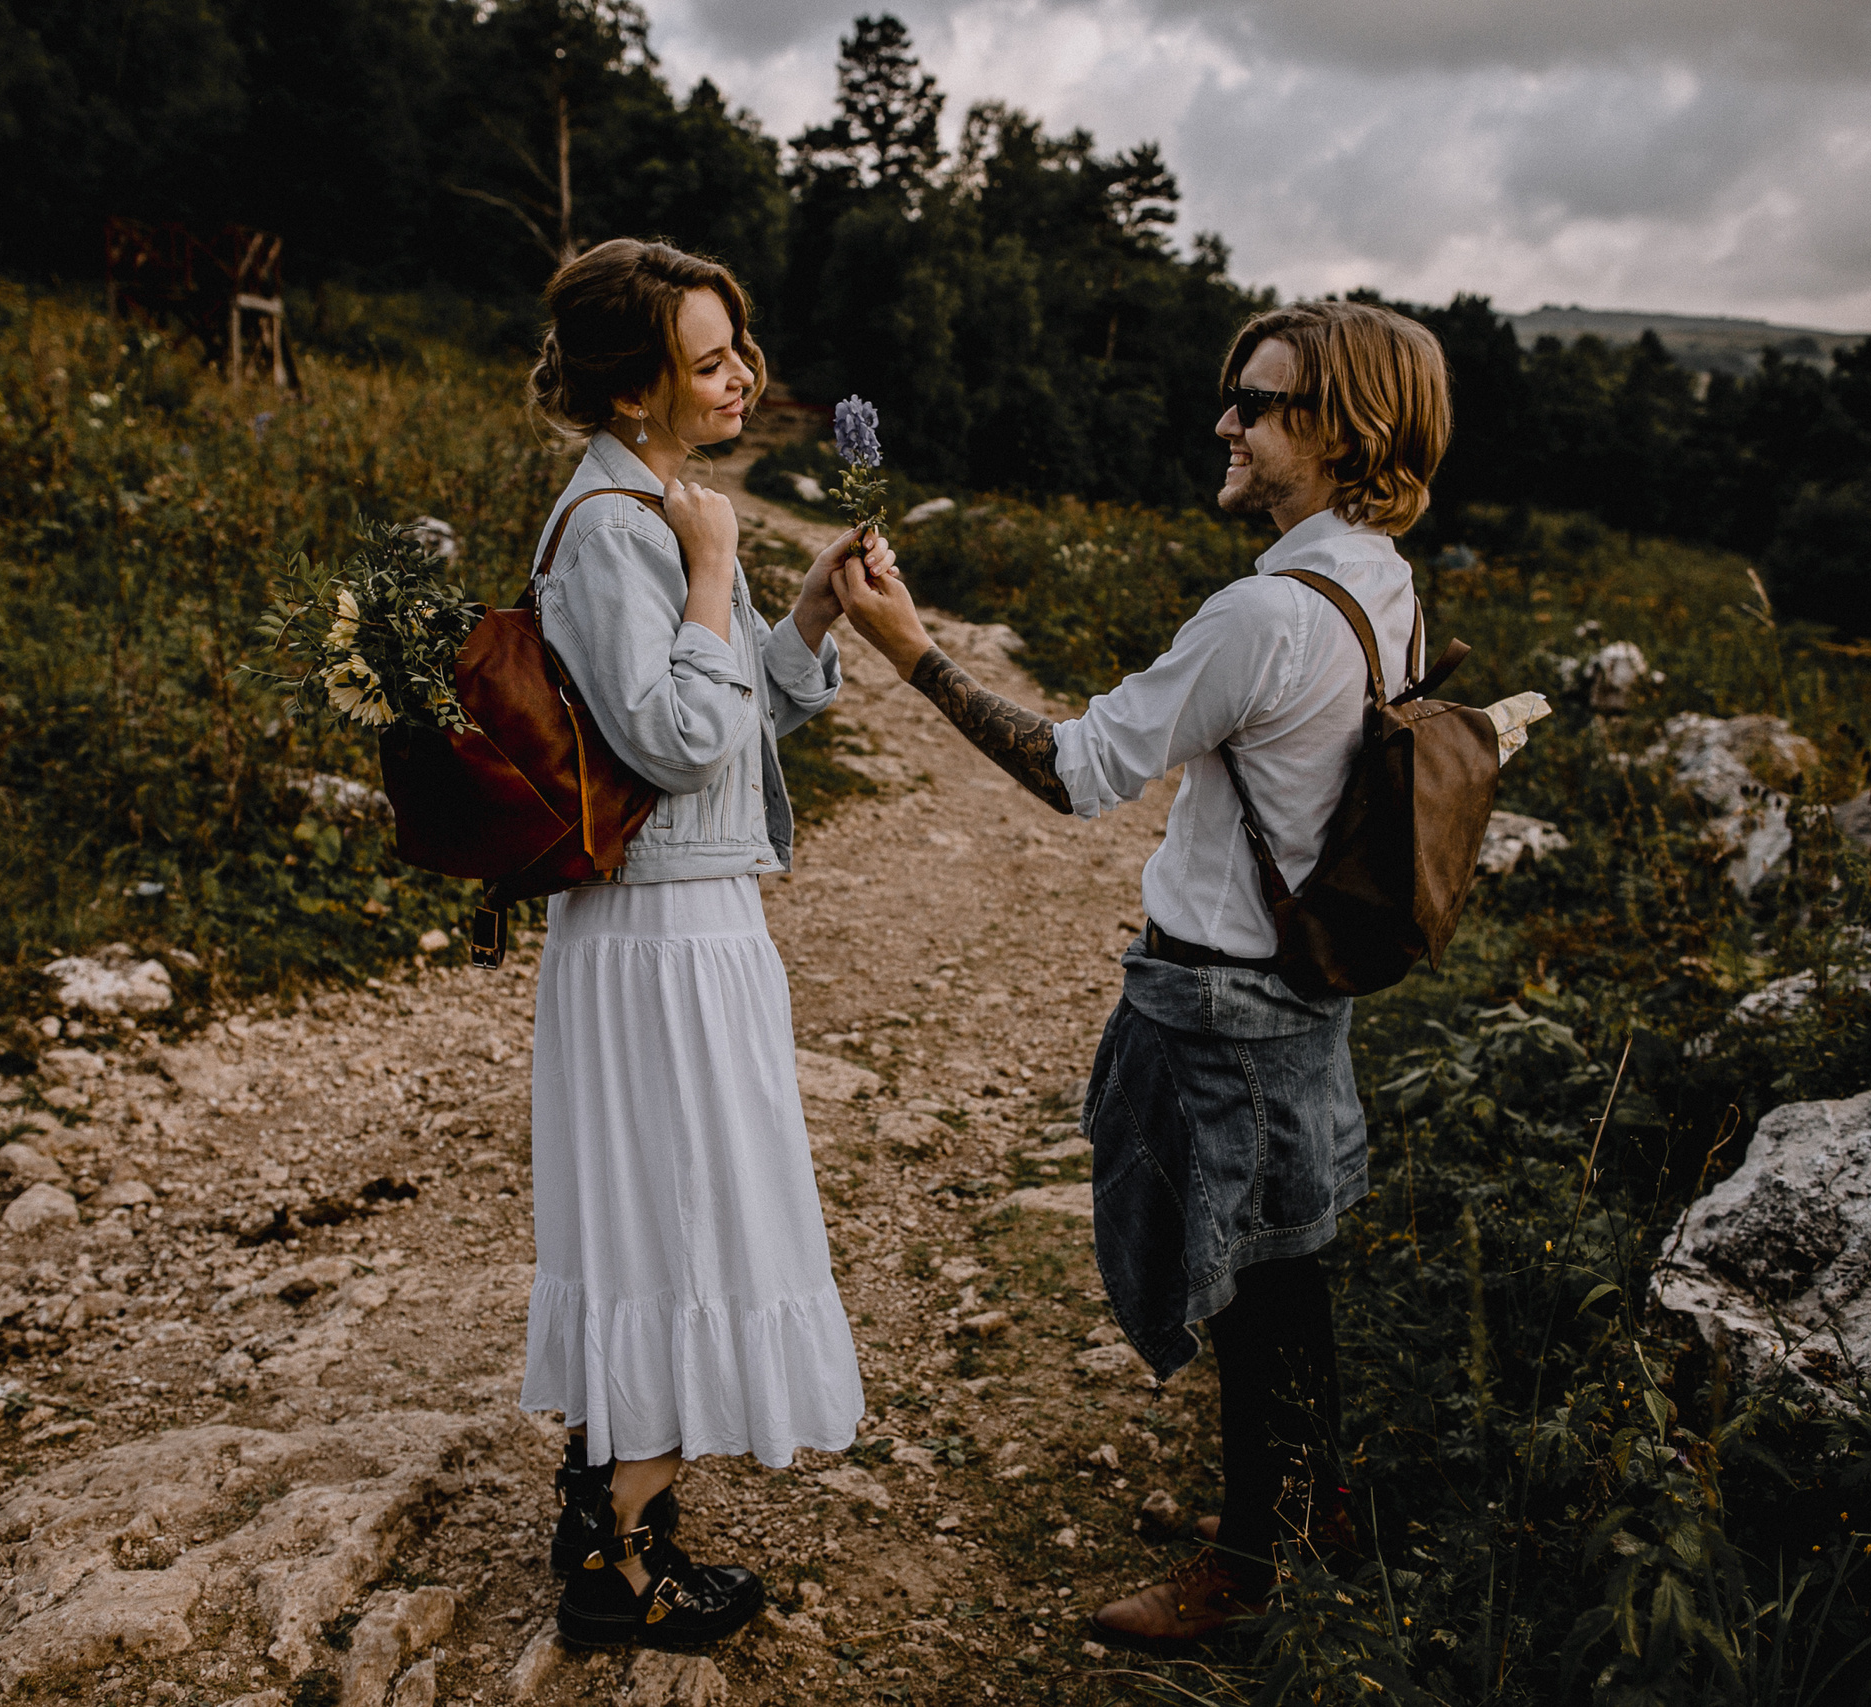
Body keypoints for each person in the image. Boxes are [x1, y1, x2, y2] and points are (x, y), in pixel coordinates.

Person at [831, 300, 1451, 1641]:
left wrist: (912, 652)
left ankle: (1245, 1573)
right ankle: (1314, 1504)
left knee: (1232, 1276)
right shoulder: (1381, 580)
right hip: (1305, 983)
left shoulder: (1265, 613)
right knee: (1288, 1259)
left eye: (1258, 400)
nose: (1224, 420)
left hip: (1218, 1002)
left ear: (1342, 431)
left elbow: (1075, 771)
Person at [518, 238, 884, 1648]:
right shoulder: (620, 528)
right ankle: (616, 1567)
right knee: (680, 1217)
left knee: (664, 1207)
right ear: (634, 383)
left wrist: (794, 614)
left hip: (683, 916)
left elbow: (720, 730)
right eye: (712, 356)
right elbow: (673, 740)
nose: (745, 376)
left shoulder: (649, 505)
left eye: (741, 347)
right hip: (659, 932)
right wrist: (721, 565)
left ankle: (612, 1507)